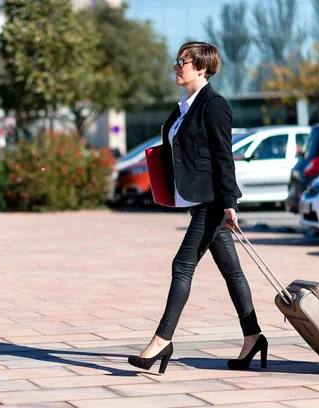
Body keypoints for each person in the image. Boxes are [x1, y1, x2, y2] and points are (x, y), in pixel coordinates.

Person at [128, 42, 267, 374]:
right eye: (177, 61)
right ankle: (253, 335)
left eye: (182, 62)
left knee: (182, 265)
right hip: (195, 198)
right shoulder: (183, 107)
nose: (176, 67)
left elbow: (223, 156)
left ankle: (162, 341)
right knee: (231, 271)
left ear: (202, 68)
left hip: (212, 201)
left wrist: (229, 203)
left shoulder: (214, 106)